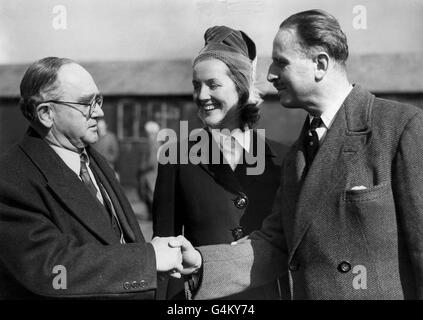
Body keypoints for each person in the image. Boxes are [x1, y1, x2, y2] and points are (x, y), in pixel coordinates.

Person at [174, 9, 423, 300]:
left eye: (281, 62)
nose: (269, 75)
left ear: (320, 64)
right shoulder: (297, 156)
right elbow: (276, 244)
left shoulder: (399, 128)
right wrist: (204, 264)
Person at [0, 57, 183, 299]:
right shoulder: (11, 177)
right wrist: (148, 259)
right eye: (87, 103)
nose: (99, 112)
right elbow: (51, 271)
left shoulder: (93, 159)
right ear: (46, 114)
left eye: (99, 100)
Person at [153, 26, 289, 299]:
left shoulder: (284, 159)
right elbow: (166, 254)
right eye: (196, 86)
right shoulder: (176, 158)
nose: (202, 95)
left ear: (241, 87)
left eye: (213, 84)